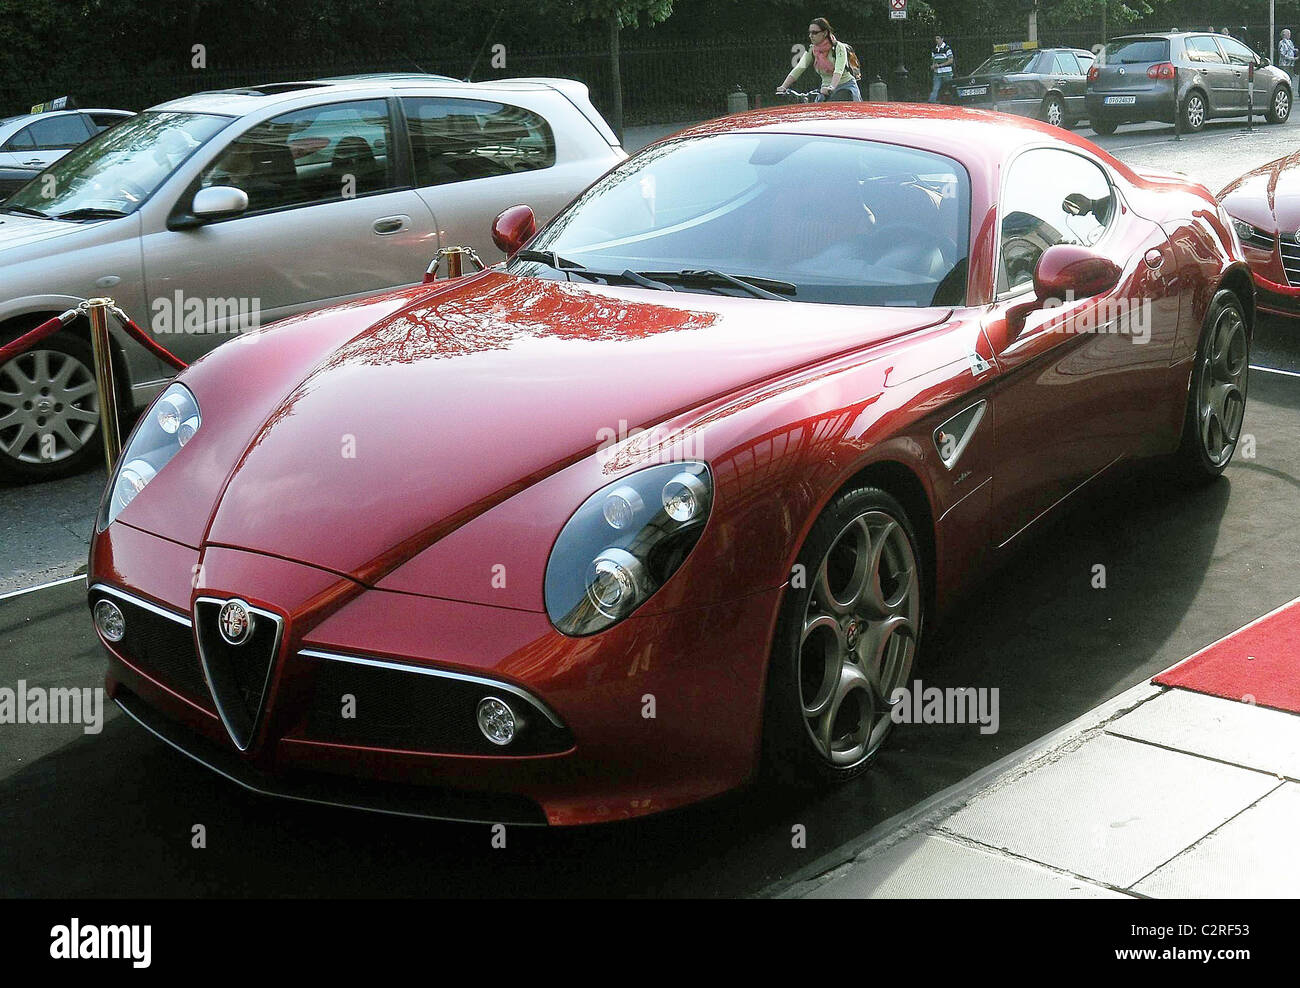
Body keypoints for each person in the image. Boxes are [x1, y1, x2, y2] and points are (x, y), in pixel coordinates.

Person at [777, 17, 861, 101]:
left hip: (845, 88)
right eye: (809, 33)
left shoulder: (838, 47)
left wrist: (831, 87)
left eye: (814, 33)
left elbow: (839, 70)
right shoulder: (812, 50)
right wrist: (783, 87)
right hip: (825, 90)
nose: (810, 36)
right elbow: (799, 68)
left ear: (824, 33)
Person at [929, 35, 954, 102]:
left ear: (942, 39)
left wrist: (940, 65)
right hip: (937, 73)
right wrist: (933, 66)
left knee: (949, 89)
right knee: (935, 89)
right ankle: (931, 104)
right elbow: (933, 60)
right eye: (936, 38)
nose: (936, 40)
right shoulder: (934, 50)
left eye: (938, 38)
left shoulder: (947, 48)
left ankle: (953, 103)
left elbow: (951, 60)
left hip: (947, 73)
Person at [1280, 29, 1297, 97]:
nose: (1290, 35)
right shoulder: (1281, 43)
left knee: (1290, 78)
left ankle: (1289, 91)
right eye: (1288, 34)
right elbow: (1282, 54)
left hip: (1291, 64)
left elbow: (1292, 49)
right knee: (1285, 78)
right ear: (1284, 35)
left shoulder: (1290, 42)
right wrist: (1292, 58)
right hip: (1284, 64)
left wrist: (1295, 50)